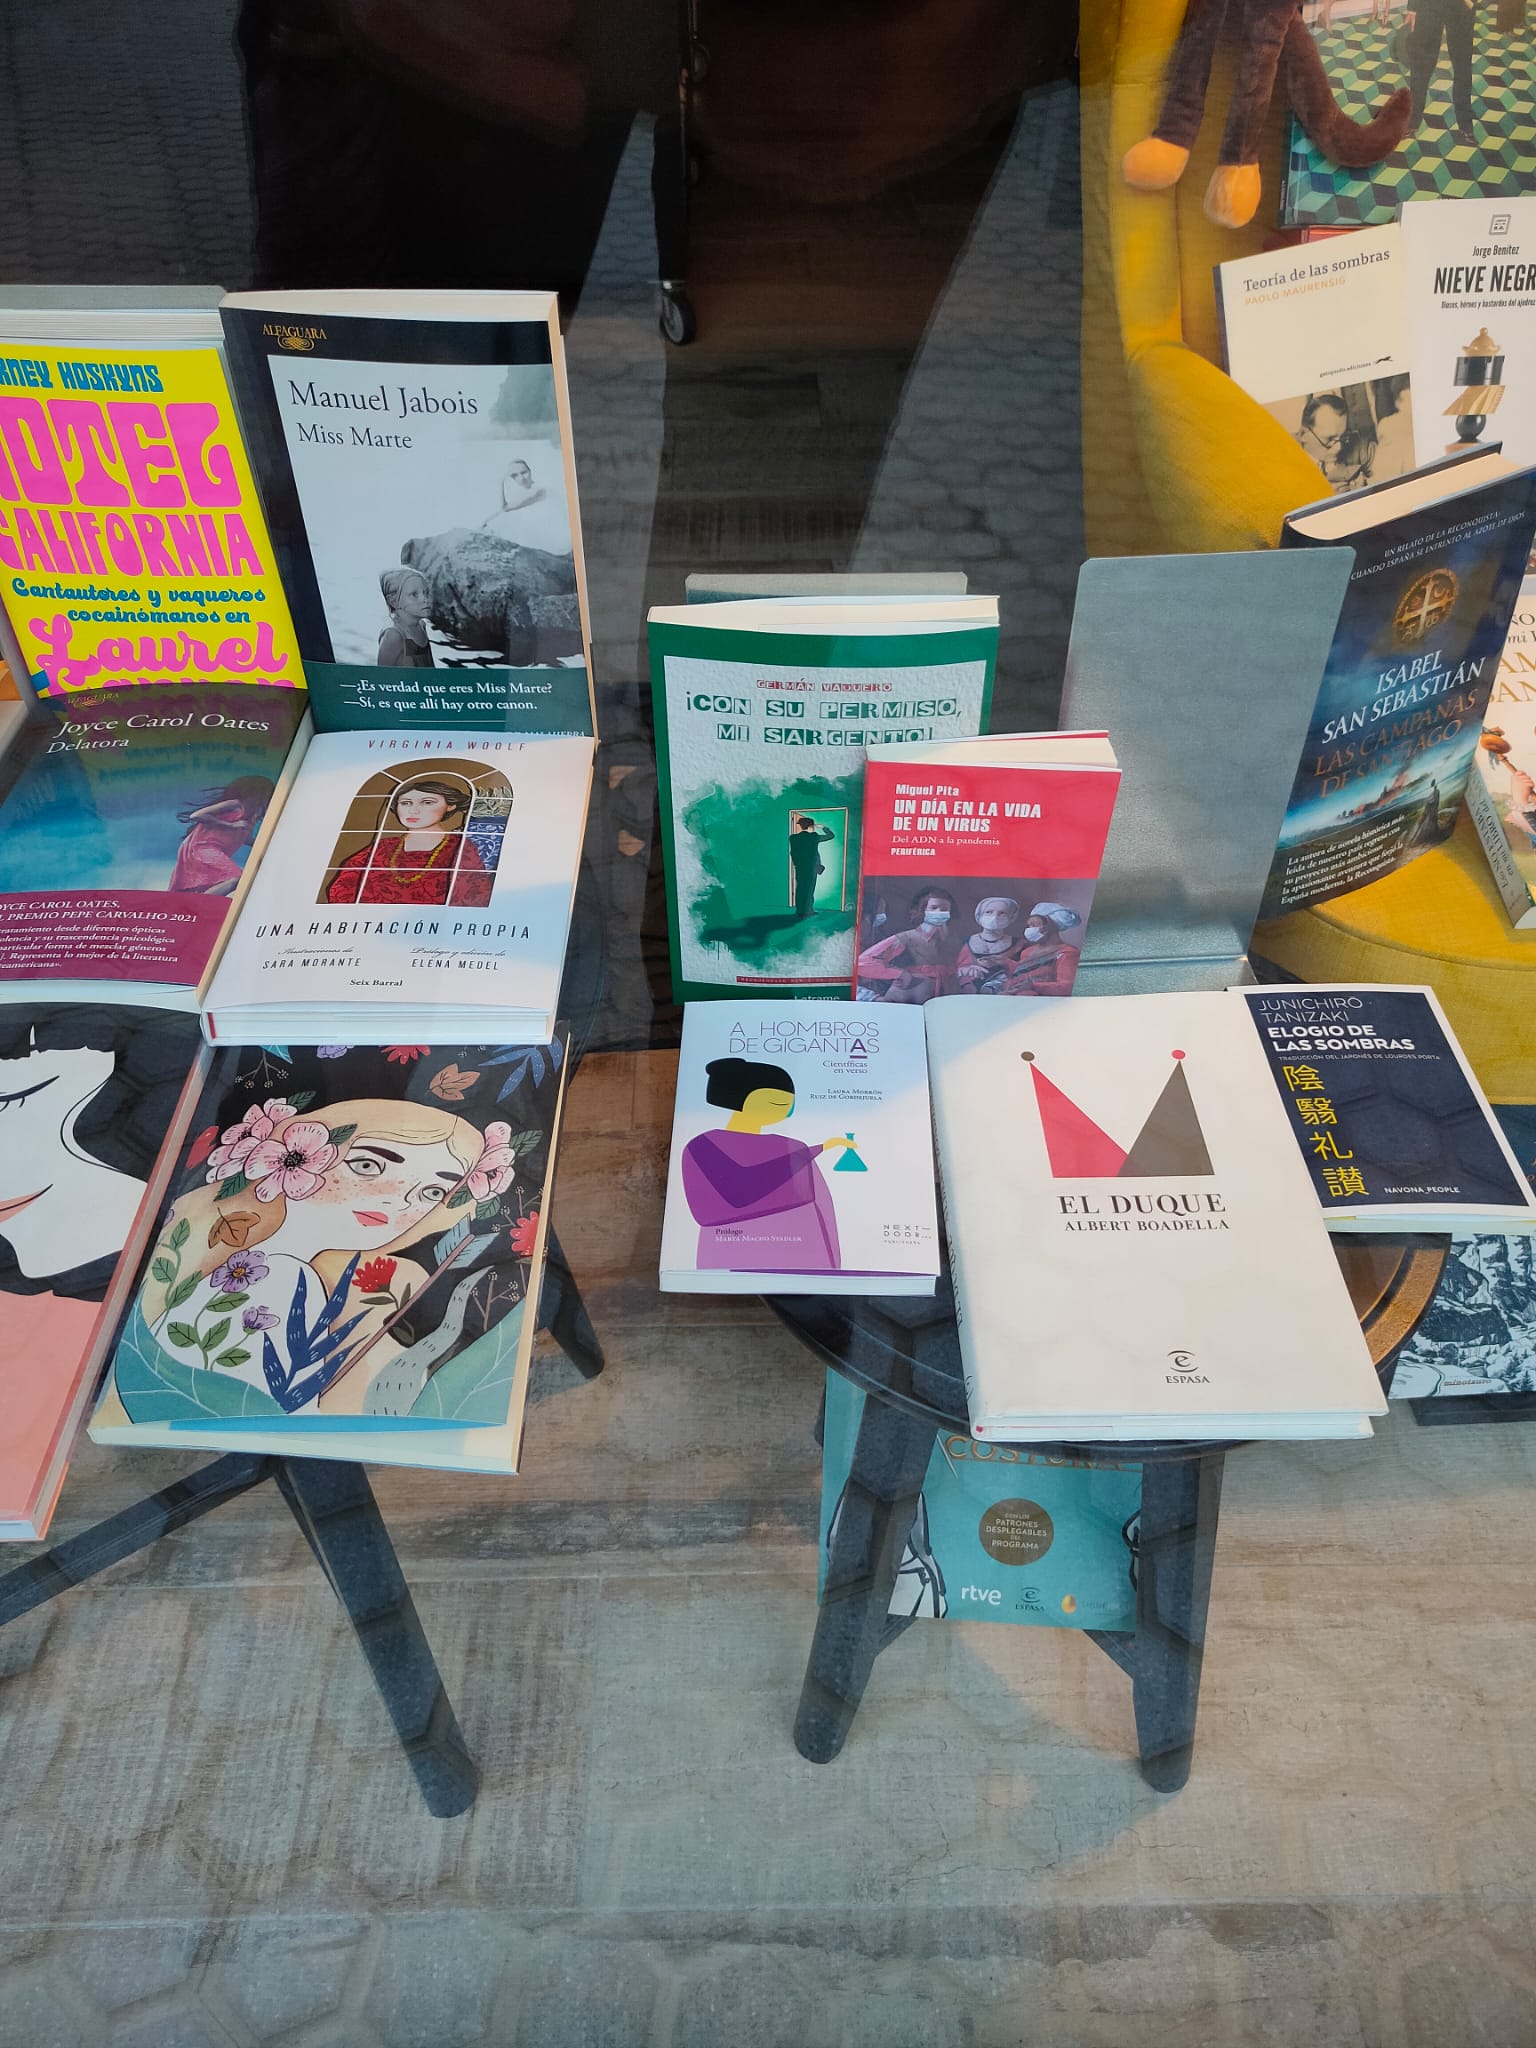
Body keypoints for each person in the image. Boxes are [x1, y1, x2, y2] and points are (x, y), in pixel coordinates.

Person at [138, 1095, 515, 1415]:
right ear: (296, 1157)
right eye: (367, 1165)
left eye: (432, 1192)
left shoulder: (297, 1275)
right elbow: (269, 1416)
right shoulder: (278, 1276)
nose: (398, 1199)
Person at [680, 1058, 855, 1272]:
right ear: (741, 1099)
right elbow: (736, 1194)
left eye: (789, 1106)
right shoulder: (703, 1146)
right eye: (778, 1103)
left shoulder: (792, 1147)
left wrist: (831, 1261)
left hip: (802, 1243)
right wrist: (815, 1150)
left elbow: (821, 1206)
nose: (786, 1110)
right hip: (733, 1245)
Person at [326, 778, 492, 907]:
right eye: (405, 803)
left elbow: (474, 895)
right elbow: (343, 889)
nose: (413, 810)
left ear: (450, 806)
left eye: (427, 802)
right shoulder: (384, 847)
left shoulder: (459, 847)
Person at [168, 776, 275, 895]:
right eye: (262, 794)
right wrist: (231, 825)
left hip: (214, 849)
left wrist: (268, 844)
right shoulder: (235, 805)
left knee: (219, 882)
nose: (262, 799)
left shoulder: (253, 816)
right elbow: (196, 815)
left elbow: (246, 839)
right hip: (201, 847)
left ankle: (200, 899)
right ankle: (200, 901)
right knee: (236, 878)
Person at [856, 888, 959, 1002]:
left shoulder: (952, 941)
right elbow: (863, 962)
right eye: (934, 908)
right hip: (903, 1001)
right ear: (923, 910)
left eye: (944, 909)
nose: (939, 912)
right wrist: (900, 974)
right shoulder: (906, 937)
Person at [1407, 0, 1478, 144]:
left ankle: (1466, 125)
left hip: (1461, 7)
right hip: (1429, 5)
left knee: (1463, 65)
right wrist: (1412, 7)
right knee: (1421, 64)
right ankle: (1412, 121)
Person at [996, 902, 1083, 995]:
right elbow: (1022, 974)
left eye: (1034, 925)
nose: (1029, 929)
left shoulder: (1068, 953)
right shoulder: (1027, 952)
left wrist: (1034, 987)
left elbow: (1067, 987)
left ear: (1049, 925)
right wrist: (1003, 963)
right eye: (1029, 926)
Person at [953, 895, 1024, 993]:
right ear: (979, 915)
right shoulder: (963, 942)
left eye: (1002, 913)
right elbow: (951, 970)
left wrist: (1005, 963)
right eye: (989, 912)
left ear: (1011, 917)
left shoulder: (1019, 945)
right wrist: (965, 971)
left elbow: (1026, 973)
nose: (995, 917)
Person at [377, 567, 436, 668]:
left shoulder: (421, 626)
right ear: (393, 601)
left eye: (425, 592)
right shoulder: (394, 635)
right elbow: (381, 674)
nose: (425, 599)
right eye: (414, 595)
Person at [789, 816, 836, 918]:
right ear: (811, 826)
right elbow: (831, 836)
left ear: (801, 826)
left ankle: (799, 911)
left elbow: (793, 853)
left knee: (800, 889)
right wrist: (823, 827)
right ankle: (808, 910)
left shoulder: (793, 838)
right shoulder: (814, 837)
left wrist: (797, 864)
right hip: (812, 868)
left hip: (800, 868)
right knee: (809, 889)